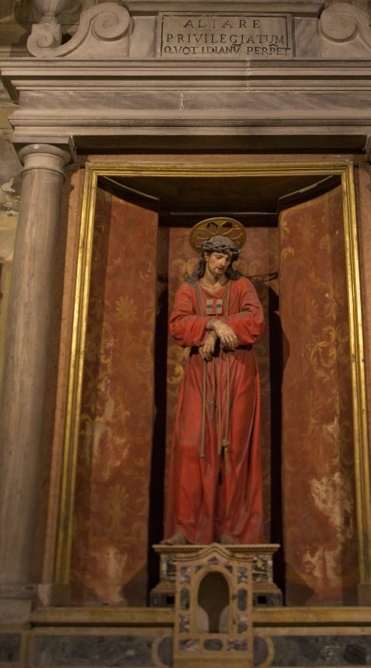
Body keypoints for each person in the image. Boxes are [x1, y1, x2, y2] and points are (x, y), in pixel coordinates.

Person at [164, 232, 264, 545]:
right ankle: (187, 529)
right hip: (201, 375)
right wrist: (211, 325)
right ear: (206, 256)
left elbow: (256, 320)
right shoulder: (188, 290)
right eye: (218, 256)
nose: (223, 263)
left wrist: (221, 329)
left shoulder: (242, 287)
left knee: (234, 449)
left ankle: (233, 531)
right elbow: (178, 324)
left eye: (228, 258)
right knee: (192, 447)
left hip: (237, 374)